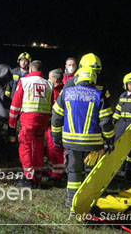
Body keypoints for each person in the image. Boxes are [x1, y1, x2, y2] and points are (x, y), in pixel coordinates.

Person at [51, 67, 114, 208]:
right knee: (92, 172)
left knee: (73, 171)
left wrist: (56, 136)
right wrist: (110, 139)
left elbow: (56, 116)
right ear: (93, 78)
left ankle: (72, 201)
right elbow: (106, 122)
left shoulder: (65, 93)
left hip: (71, 142)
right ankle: (90, 201)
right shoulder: (99, 95)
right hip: (94, 144)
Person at [9, 60, 54, 187]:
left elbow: (16, 103)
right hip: (43, 121)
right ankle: (38, 178)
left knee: (26, 146)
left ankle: (28, 178)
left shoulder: (24, 82)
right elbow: (51, 105)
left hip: (28, 119)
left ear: (30, 70)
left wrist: (12, 122)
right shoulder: (49, 84)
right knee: (38, 147)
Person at [45, 68, 65, 182]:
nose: (48, 80)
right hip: (50, 123)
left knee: (56, 149)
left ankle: (57, 175)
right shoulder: (51, 89)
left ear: (56, 79)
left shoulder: (61, 91)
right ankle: (51, 171)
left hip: (57, 124)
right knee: (50, 149)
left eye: (50, 78)